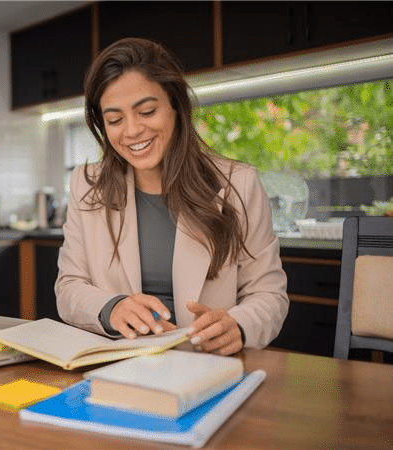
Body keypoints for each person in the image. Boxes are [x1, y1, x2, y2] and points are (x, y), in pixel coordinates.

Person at [55, 38, 289, 355]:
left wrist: (240, 325)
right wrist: (113, 308)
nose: (133, 130)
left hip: (208, 365)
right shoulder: (86, 184)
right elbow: (69, 287)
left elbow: (268, 292)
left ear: (175, 105)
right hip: (119, 364)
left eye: (147, 111)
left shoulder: (239, 183)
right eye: (115, 119)